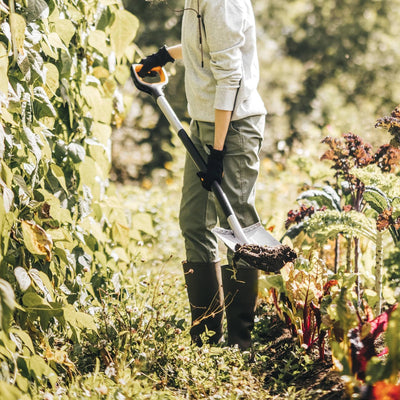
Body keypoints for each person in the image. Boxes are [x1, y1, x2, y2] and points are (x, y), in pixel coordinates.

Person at [138, 0, 266, 350]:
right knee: (194, 221)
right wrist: (166, 55)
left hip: (235, 127)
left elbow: (230, 78)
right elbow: (205, 49)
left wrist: (219, 153)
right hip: (203, 123)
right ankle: (208, 339)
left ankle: (241, 342)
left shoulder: (223, 4)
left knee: (238, 226)